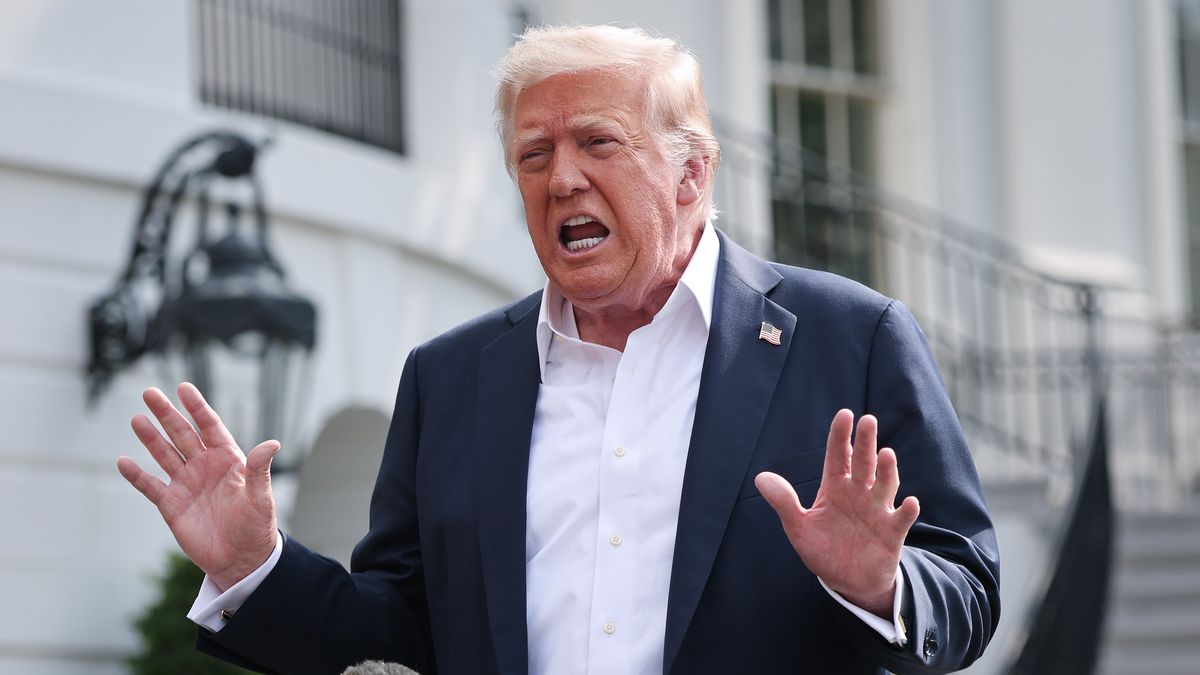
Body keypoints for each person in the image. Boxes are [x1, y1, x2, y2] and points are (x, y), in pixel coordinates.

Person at [118, 24, 999, 675]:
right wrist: (253, 569)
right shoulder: (451, 378)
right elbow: (402, 634)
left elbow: (966, 588)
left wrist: (883, 584)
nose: (562, 178)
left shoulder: (851, 338)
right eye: (532, 155)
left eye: (598, 143)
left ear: (693, 172)